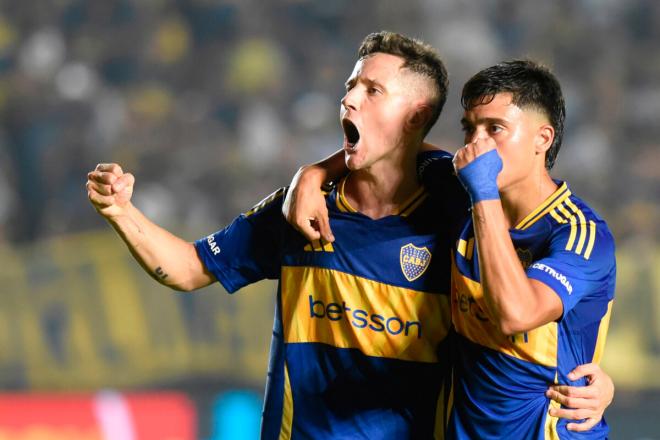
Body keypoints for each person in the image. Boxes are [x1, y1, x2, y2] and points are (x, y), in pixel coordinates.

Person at [88, 31, 456, 438]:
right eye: (351, 86)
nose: (349, 99)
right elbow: (188, 268)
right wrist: (120, 212)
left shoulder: (454, 220)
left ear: (416, 116)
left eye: (373, 90)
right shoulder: (300, 210)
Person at [285, 60, 616, 439]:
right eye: (470, 129)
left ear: (542, 138)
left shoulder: (579, 234)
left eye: (495, 128)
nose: (478, 143)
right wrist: (312, 174)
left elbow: (515, 314)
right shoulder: (461, 189)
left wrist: (482, 193)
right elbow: (387, 148)